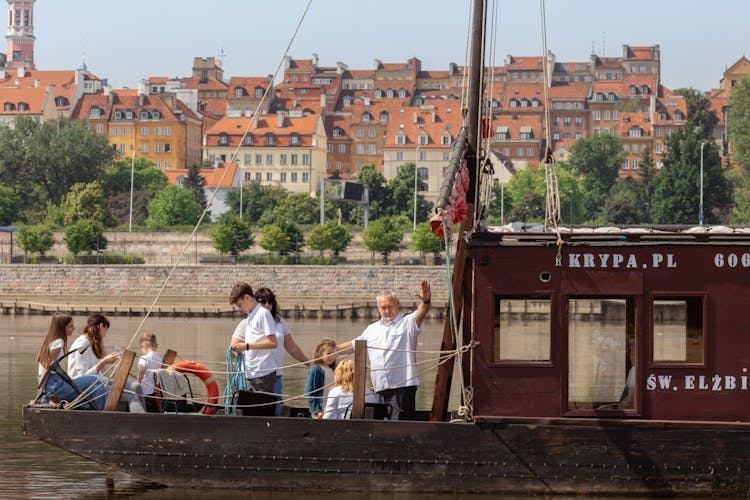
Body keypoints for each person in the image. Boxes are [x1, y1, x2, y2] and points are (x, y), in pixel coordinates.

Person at [339, 280, 431, 420]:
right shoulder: (372, 329)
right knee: (382, 426)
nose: (387, 311)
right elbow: (354, 345)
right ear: (378, 308)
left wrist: (426, 301)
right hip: (380, 388)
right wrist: (331, 349)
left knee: (400, 426)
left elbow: (420, 313)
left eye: (390, 306)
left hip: (402, 387)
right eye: (383, 308)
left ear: (397, 304)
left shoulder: (407, 322)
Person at [69, 314, 146, 413]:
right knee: (131, 396)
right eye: (106, 330)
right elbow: (82, 377)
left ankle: (147, 415)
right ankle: (143, 424)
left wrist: (108, 361)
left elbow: (95, 371)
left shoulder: (91, 342)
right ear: (101, 326)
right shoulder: (82, 345)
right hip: (86, 388)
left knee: (136, 386)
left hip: (97, 382)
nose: (105, 334)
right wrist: (104, 361)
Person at [35, 312, 109, 410]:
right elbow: (46, 369)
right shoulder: (58, 343)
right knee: (96, 379)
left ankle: (98, 413)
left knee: (98, 389)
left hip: (54, 385)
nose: (73, 328)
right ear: (62, 328)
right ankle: (103, 416)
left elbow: (46, 369)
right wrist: (39, 396)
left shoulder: (53, 341)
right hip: (55, 387)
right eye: (70, 326)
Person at [254, 287, 309, 414]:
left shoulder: (279, 322)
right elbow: (235, 345)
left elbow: (292, 347)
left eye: (270, 302)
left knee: (276, 409)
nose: (267, 305)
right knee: (258, 412)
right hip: (257, 376)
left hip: (276, 376)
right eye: (263, 302)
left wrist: (309, 363)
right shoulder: (250, 321)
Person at [229, 282, 278, 394]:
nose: (240, 309)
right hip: (251, 372)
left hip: (263, 373)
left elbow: (273, 342)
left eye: (240, 305)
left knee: (260, 409)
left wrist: (246, 346)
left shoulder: (263, 314)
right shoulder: (251, 316)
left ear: (247, 297)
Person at [304, 338, 337, 419]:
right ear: (320, 354)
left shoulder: (334, 370)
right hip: (321, 409)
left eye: (334, 353)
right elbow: (309, 392)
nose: (331, 356)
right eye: (328, 353)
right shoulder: (316, 369)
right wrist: (317, 411)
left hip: (332, 406)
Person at [137, 332, 163, 413]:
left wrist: (138, 382)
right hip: (155, 394)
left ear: (143, 346)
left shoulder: (144, 358)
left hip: (145, 393)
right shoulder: (159, 359)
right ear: (156, 346)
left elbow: (142, 369)